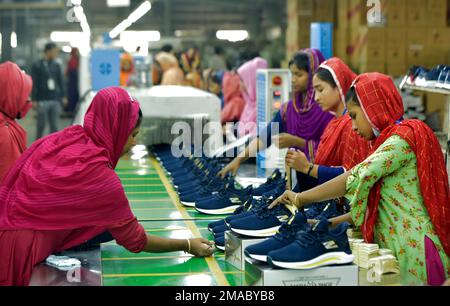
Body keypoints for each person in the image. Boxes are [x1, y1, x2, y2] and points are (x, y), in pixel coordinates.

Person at [0, 87, 214, 286]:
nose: (135, 143)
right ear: (116, 130)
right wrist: (187, 244)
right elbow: (135, 240)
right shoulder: (100, 177)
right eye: (133, 135)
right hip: (19, 253)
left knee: (105, 228)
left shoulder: (68, 137)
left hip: (6, 229)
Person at [271, 73, 450, 285]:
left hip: (416, 254)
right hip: (392, 252)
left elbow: (353, 177)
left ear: (371, 109)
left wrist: (301, 198)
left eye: (355, 116)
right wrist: (324, 224)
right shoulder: (384, 144)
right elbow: (370, 208)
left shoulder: (402, 140)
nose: (353, 128)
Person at [219, 50, 334, 190]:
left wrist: (297, 142)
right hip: (297, 182)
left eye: (299, 74)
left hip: (324, 185)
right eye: (292, 74)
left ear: (314, 75)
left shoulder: (327, 110)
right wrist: (238, 159)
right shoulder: (289, 109)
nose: (293, 79)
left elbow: (331, 152)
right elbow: (264, 137)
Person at [286, 57, 371, 185]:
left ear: (339, 87)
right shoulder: (334, 123)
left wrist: (307, 167)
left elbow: (352, 174)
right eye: (314, 91)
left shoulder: (352, 125)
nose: (316, 97)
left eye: (320, 90)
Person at [0, 62, 33, 182]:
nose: (28, 101)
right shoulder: (5, 133)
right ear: (10, 95)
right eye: (23, 95)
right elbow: (9, 183)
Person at [31, 42, 67, 140]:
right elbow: (34, 83)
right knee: (41, 125)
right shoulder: (37, 65)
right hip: (42, 99)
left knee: (54, 126)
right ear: (48, 51)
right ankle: (37, 145)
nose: (56, 54)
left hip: (55, 99)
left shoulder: (56, 65)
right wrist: (34, 99)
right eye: (54, 52)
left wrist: (63, 96)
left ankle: (54, 146)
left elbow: (61, 82)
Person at [235, 57, 268, 138]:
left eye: (243, 80)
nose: (240, 85)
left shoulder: (264, 110)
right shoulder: (249, 106)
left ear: (252, 81)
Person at [65, 47, 80, 116]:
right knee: (72, 96)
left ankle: (72, 110)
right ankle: (71, 110)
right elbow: (70, 71)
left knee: (74, 96)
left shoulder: (75, 59)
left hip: (74, 81)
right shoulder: (73, 60)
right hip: (73, 82)